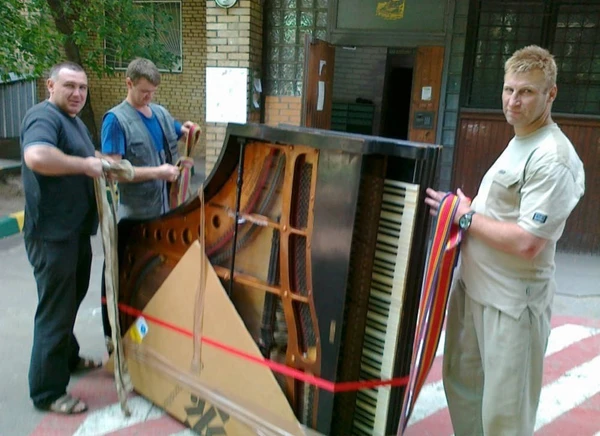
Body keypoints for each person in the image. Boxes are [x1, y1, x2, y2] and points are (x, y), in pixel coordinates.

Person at [425, 45, 585, 435]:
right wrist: (470, 208)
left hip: (511, 308)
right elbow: (500, 209)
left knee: (504, 415)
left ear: (551, 94)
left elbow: (528, 241)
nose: (514, 100)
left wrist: (463, 215)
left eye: (527, 92)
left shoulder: (553, 156)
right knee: (465, 394)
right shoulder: (521, 139)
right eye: (509, 89)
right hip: (475, 292)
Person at [21, 61, 105, 414]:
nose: (78, 93)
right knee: (55, 311)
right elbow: (37, 156)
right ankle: (48, 391)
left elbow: (88, 157)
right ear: (50, 86)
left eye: (82, 87)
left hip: (73, 233)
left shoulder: (73, 123)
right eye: (70, 86)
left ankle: (67, 358)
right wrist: (85, 166)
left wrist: (107, 164)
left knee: (70, 301)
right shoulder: (44, 117)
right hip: (52, 236)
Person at [100, 57, 195, 351]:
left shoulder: (161, 113)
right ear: (129, 83)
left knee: (153, 278)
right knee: (122, 280)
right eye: (143, 92)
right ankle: (115, 339)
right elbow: (113, 172)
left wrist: (188, 130)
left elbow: (179, 132)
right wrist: (158, 172)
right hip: (133, 216)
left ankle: (147, 337)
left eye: (152, 92)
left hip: (163, 211)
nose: (148, 97)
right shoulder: (115, 120)